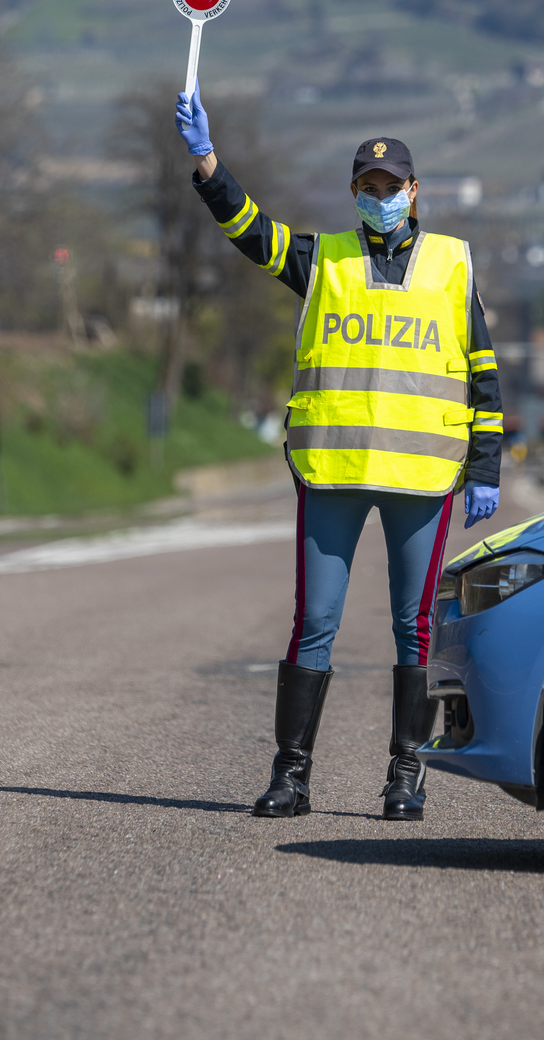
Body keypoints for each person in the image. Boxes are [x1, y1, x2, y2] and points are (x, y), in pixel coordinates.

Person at [176, 92, 502, 822]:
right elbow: (249, 231)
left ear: (415, 193)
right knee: (313, 621)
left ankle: (405, 775)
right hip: (333, 469)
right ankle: (291, 777)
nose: (380, 197)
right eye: (368, 187)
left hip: (424, 474)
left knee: (412, 627)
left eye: (392, 187)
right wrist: (208, 163)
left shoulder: (452, 265)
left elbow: (483, 370)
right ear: (354, 194)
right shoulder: (325, 258)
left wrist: (486, 465)